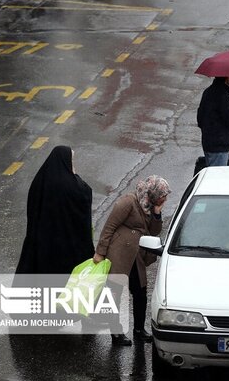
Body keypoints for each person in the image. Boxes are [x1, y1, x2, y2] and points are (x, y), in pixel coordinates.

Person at [93, 175, 171, 346]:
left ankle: (139, 330)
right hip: (119, 253)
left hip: (137, 256)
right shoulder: (129, 201)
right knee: (115, 293)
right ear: (153, 192)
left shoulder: (151, 206)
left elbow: (154, 231)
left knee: (140, 291)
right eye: (162, 194)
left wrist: (157, 213)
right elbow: (109, 227)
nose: (165, 198)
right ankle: (116, 332)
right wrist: (100, 252)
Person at [15, 145, 95, 278]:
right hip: (67, 244)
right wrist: (75, 175)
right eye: (72, 160)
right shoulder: (73, 185)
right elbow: (85, 195)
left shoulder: (40, 180)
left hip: (42, 242)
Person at [197, 76, 229, 167]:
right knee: (217, 177)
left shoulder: (208, 92)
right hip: (219, 146)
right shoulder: (223, 96)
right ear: (227, 78)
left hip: (208, 143)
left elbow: (200, 118)